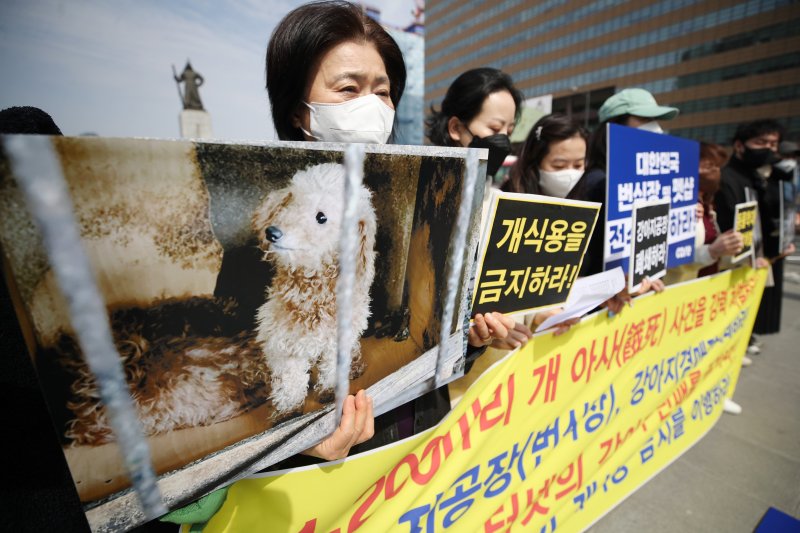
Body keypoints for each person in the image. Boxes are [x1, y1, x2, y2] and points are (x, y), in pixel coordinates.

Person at [567, 88, 675, 311]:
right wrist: (611, 287)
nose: (655, 127)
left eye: (656, 120)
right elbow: (581, 266)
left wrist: (641, 277)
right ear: (614, 127)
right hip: (591, 313)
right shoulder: (599, 183)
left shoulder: (638, 182)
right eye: (646, 119)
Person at [714, 120, 796, 340]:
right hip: (734, 262)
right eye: (761, 142)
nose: (769, 149)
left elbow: (773, 215)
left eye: (773, 144)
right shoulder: (726, 178)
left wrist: (786, 232)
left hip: (763, 258)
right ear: (740, 146)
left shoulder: (766, 177)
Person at [663, 142, 744, 284]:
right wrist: (712, 252)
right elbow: (671, 262)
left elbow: (714, 260)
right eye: (709, 166)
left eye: (718, 167)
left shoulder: (707, 208)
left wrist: (731, 251)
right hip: (676, 297)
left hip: (703, 293)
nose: (716, 172)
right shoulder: (674, 206)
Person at [502, 112, 587, 198]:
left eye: (578, 165)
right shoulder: (509, 200)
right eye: (559, 166)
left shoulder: (590, 198)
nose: (570, 174)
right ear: (535, 162)